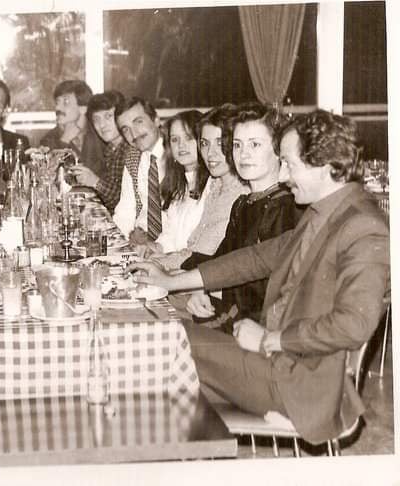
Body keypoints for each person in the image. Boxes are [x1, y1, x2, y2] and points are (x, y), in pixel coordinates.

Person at [128, 109, 389, 445]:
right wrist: (170, 281)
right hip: (279, 364)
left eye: (290, 164)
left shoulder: (363, 226)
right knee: (167, 361)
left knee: (164, 341)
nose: (284, 175)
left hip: (298, 383)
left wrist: (272, 339)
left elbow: (354, 324)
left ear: (325, 167)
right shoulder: (324, 211)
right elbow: (254, 259)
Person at [180, 103, 302, 330]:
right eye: (237, 145)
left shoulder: (286, 208)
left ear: (279, 151)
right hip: (232, 316)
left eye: (255, 144)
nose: (243, 154)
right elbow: (219, 262)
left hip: (258, 330)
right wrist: (200, 289)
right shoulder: (243, 204)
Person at [149, 104, 249, 270]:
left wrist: (159, 262)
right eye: (205, 143)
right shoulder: (216, 185)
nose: (210, 153)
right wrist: (157, 253)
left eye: (220, 143)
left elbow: (204, 255)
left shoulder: (238, 193)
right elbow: (193, 246)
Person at [137, 109, 208, 257]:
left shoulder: (213, 185)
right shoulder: (178, 185)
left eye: (188, 137)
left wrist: (165, 259)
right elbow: (171, 235)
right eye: (175, 140)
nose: (181, 145)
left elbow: (201, 248)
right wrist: (154, 247)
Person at [111, 97, 164, 243]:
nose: (133, 134)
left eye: (138, 122)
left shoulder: (178, 153)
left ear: (156, 120)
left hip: (172, 242)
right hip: (139, 238)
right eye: (126, 129)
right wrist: (115, 242)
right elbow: (126, 210)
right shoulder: (133, 158)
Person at [67, 90, 130, 213]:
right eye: (96, 119)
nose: (102, 125)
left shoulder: (129, 150)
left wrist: (95, 181)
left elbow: (123, 203)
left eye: (108, 116)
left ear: (120, 116)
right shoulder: (111, 149)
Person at [39, 80, 105, 176]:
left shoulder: (100, 134)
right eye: (57, 102)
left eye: (66, 102)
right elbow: (46, 175)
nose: (58, 108)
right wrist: (64, 141)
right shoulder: (48, 140)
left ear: (83, 108)